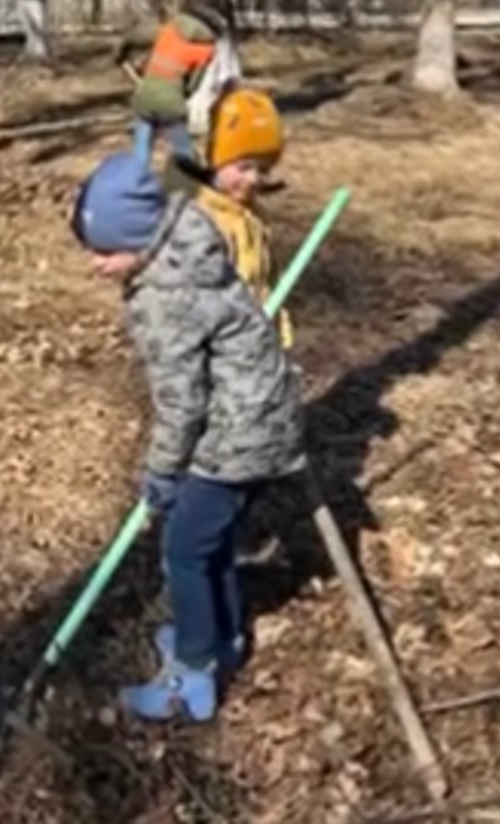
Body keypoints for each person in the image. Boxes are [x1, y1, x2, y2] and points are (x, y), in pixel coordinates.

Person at [70, 141, 306, 723]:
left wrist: (163, 471)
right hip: (258, 410)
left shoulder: (166, 297)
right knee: (210, 542)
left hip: (240, 432)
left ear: (137, 241)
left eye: (105, 251)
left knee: (183, 549)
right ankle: (221, 638)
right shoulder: (184, 239)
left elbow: (181, 403)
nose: (95, 264)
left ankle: (191, 680)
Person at [164, 87, 294, 350]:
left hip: (254, 343)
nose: (254, 179)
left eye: (263, 169)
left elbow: (265, 281)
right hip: (218, 348)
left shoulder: (251, 215)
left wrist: (279, 330)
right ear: (210, 160)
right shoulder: (199, 220)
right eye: (244, 167)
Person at [114, 0, 241, 167]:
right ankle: (188, 178)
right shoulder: (205, 51)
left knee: (142, 146)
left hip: (144, 94)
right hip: (171, 102)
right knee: (182, 148)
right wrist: (182, 92)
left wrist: (121, 52)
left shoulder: (168, 31)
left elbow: (135, 37)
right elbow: (192, 85)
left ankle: (138, 179)